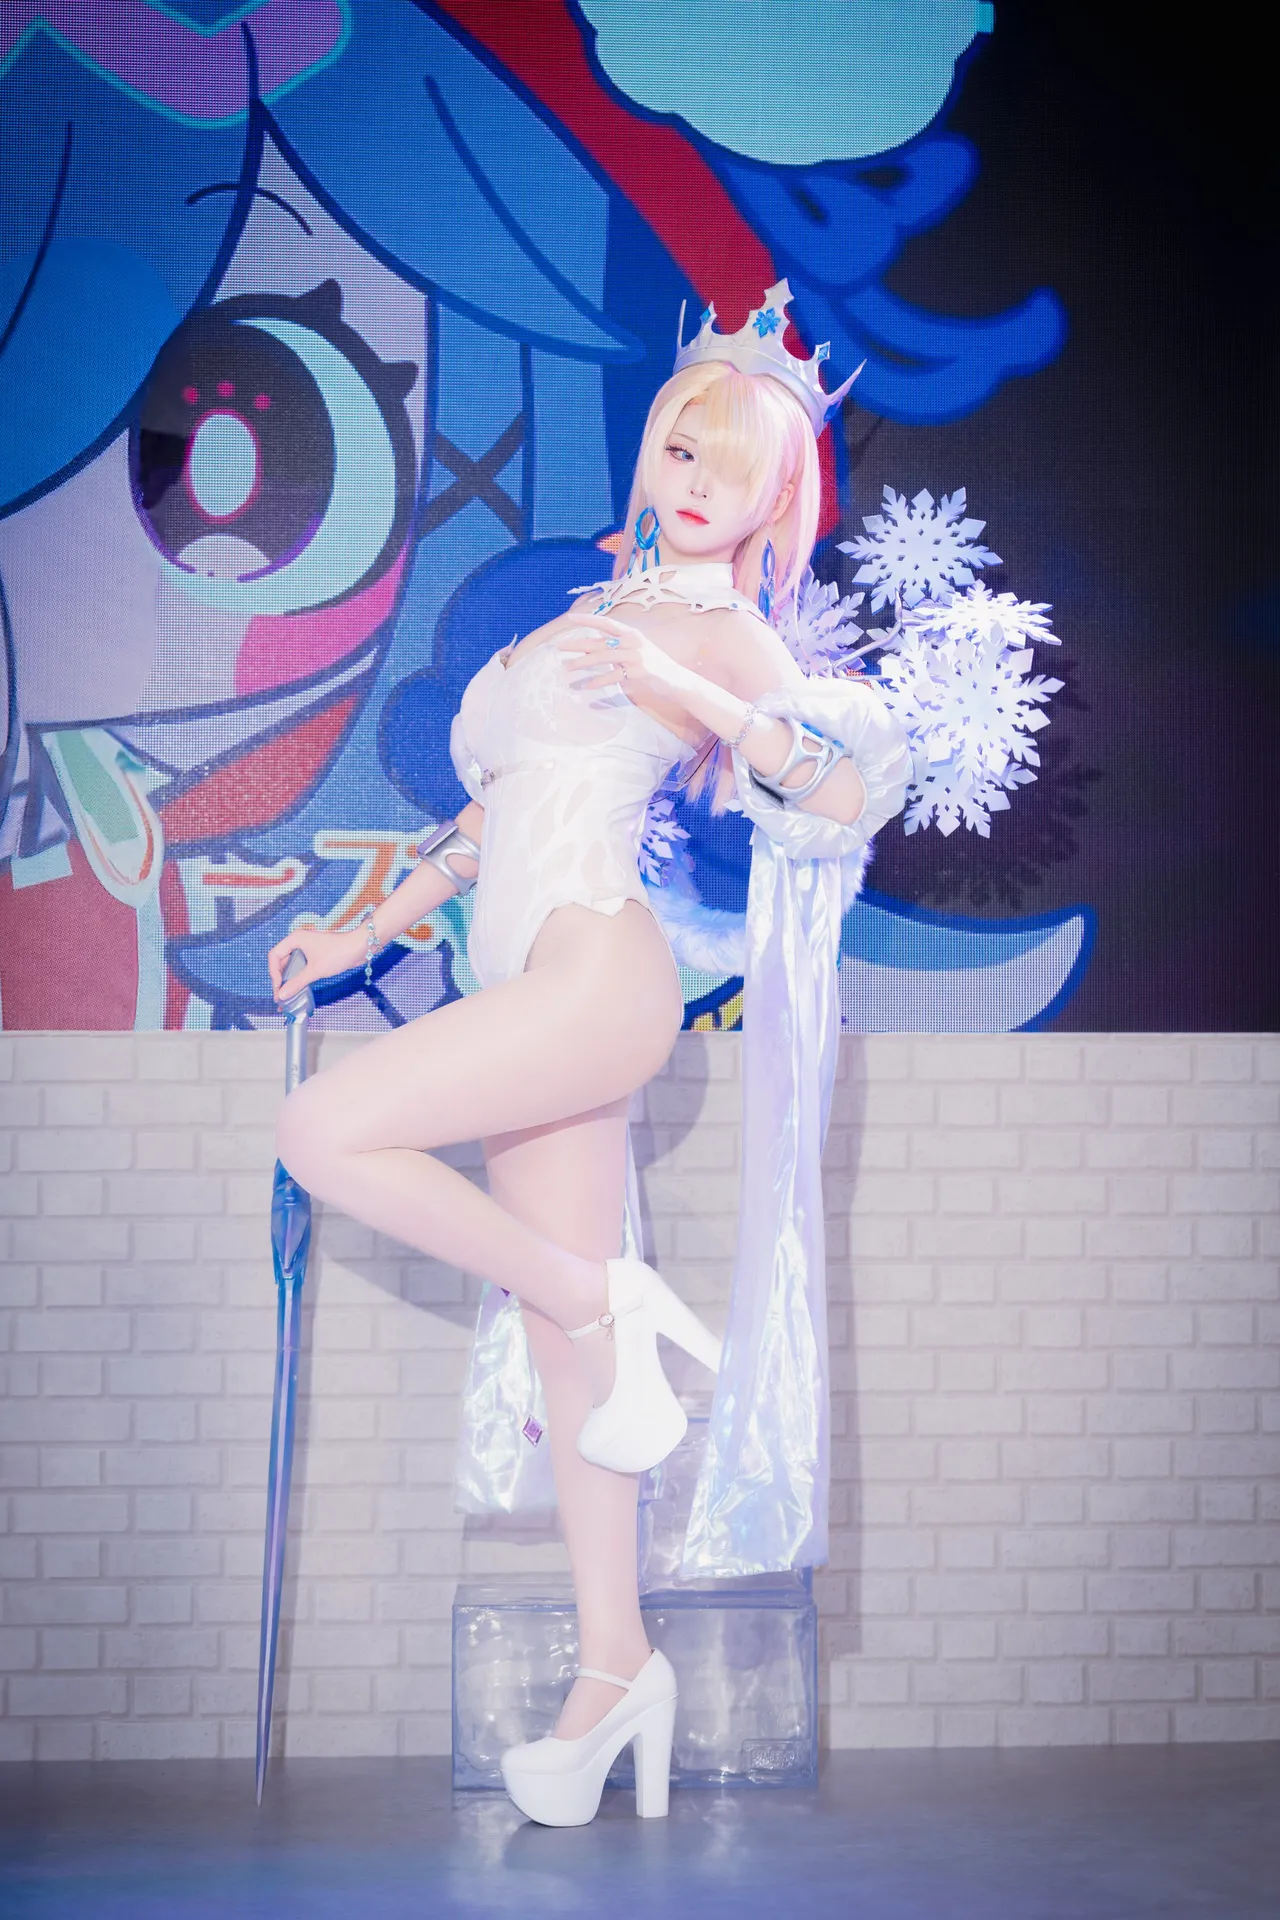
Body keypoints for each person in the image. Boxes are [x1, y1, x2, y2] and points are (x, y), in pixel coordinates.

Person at [268, 285, 911, 1828]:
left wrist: (693, 694)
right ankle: (617, 1665)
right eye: (681, 445)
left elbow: (843, 794)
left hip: (597, 973)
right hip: (524, 963)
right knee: (577, 1380)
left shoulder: (726, 631)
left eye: (730, 468)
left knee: (324, 1132)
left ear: (769, 500)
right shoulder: (590, 611)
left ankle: (588, 1290)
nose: (694, 480)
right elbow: (492, 815)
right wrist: (363, 931)